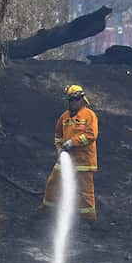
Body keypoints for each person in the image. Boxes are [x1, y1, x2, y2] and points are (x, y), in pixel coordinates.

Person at [42, 84, 99, 223]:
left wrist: (73, 142)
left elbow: (91, 135)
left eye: (76, 100)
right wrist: (59, 149)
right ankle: (47, 210)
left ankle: (88, 218)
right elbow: (58, 136)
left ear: (82, 100)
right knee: (53, 183)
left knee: (85, 191)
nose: (74, 103)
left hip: (84, 160)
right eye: (71, 100)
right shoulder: (64, 117)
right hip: (67, 158)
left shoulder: (89, 115)